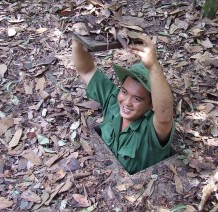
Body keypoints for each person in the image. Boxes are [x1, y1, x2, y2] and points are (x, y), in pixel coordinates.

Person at [72, 34, 175, 174]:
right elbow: (86, 70)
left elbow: (165, 117)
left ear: (151, 104)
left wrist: (153, 66)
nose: (127, 102)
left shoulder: (151, 130)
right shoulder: (113, 100)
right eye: (124, 92)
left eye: (137, 99)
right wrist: (78, 39)